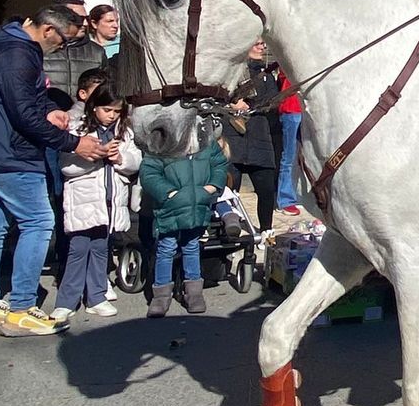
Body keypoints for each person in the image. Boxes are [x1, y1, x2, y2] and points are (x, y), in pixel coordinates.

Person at [0, 4, 106, 337]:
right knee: (39, 221)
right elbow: (21, 113)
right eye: (62, 42)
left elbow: (22, 99)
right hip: (10, 152)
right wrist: (73, 144)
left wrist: (49, 109)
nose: (61, 48)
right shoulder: (19, 53)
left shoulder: (5, 46)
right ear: (49, 30)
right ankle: (21, 308)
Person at [53, 84, 140, 322]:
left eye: (116, 111)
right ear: (93, 107)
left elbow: (134, 161)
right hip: (84, 201)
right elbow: (66, 166)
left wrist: (120, 158)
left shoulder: (124, 132)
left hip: (111, 203)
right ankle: (66, 301)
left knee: (102, 250)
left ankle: (97, 297)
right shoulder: (77, 129)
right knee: (78, 249)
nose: (111, 115)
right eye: (106, 109)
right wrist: (94, 156)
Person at [140, 120, 229, 317]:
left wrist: (211, 187)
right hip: (170, 205)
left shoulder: (204, 140)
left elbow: (220, 164)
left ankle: (194, 292)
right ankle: (161, 294)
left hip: (197, 203)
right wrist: (169, 193)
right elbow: (149, 173)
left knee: (192, 245)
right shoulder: (161, 141)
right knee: (166, 247)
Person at [223, 41, 279, 232]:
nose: (263, 47)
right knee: (230, 191)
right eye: (258, 44)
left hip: (259, 139)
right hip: (233, 138)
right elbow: (219, 94)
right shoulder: (231, 72)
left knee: (266, 190)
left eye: (264, 44)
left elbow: (272, 100)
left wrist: (251, 106)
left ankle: (266, 230)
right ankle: (229, 228)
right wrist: (232, 103)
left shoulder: (267, 76)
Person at [273, 68, 305, 217]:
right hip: (291, 109)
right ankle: (285, 200)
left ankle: (300, 195)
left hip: (306, 109)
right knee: (289, 156)